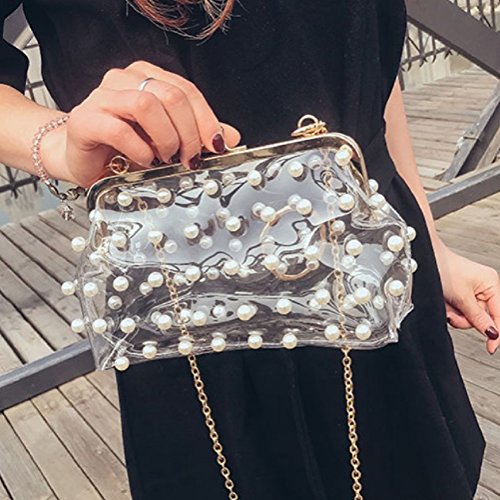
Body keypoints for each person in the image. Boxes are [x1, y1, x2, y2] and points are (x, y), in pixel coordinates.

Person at [1, 1, 498, 498]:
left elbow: (369, 74)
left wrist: (429, 244)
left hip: (372, 273)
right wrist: (57, 143)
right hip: (186, 310)